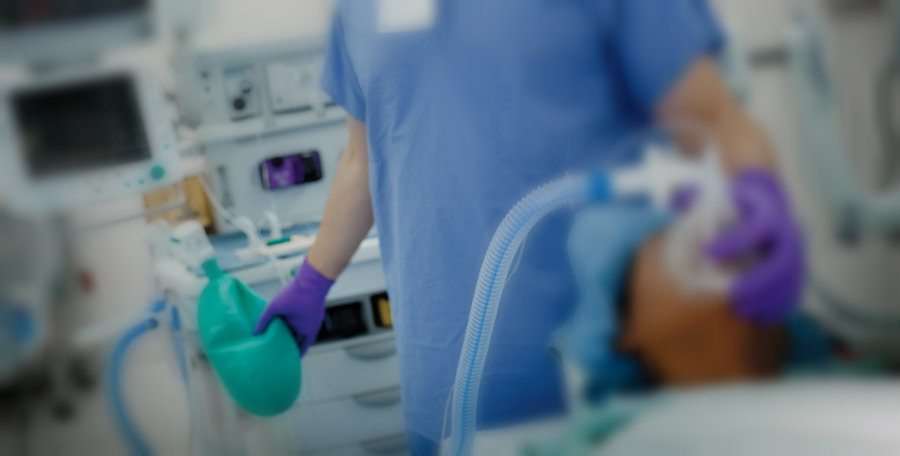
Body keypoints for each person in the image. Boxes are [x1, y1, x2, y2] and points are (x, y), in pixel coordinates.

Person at [253, 1, 805, 453]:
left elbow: (716, 118)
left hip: (603, 375)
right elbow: (363, 157)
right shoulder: (360, 8)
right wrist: (311, 282)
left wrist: (760, 197)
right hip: (442, 381)